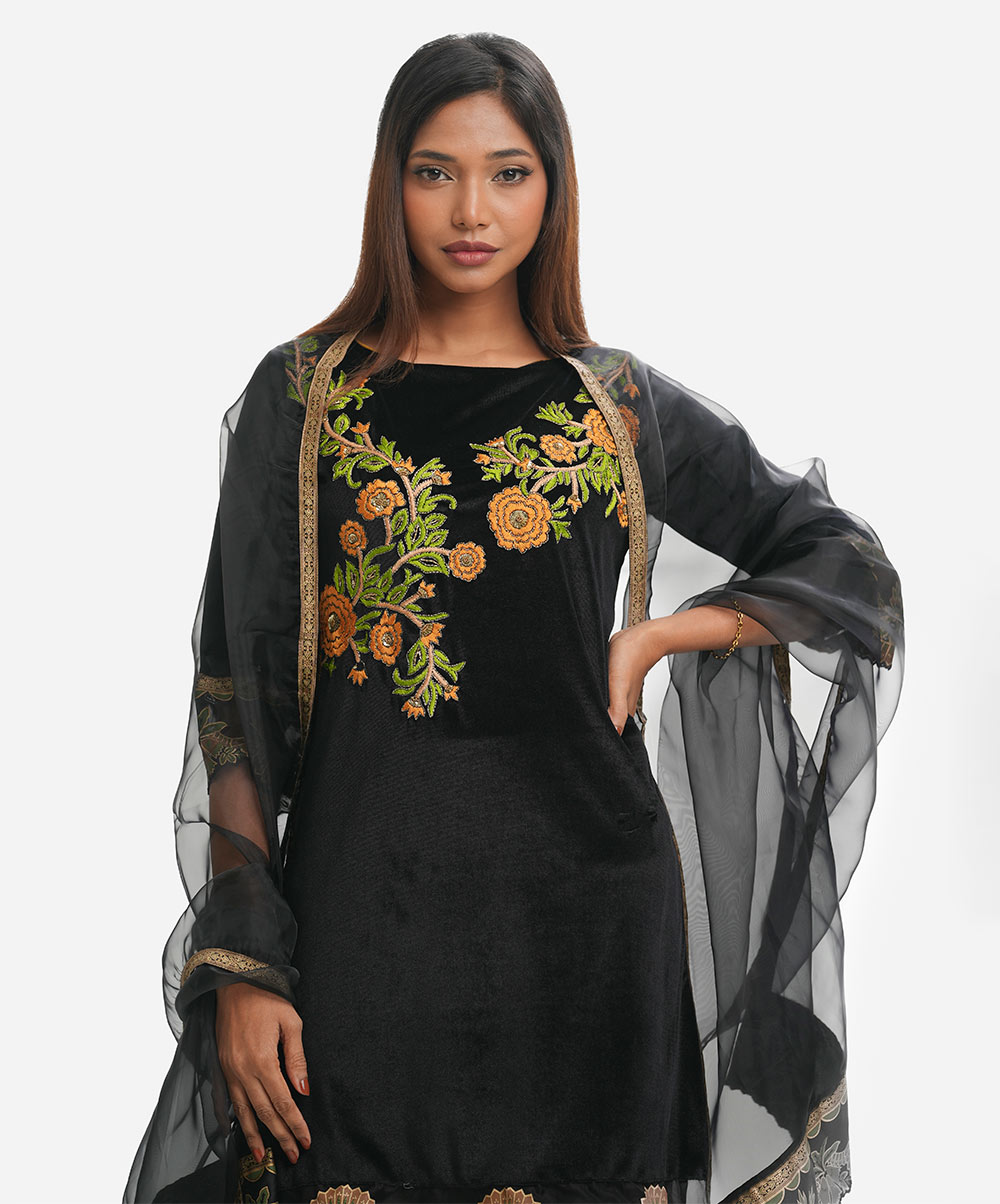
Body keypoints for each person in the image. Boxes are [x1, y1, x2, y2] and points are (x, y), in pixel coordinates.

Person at [124, 31, 904, 1204]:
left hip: (589, 934)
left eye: (509, 172)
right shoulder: (305, 398)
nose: (471, 211)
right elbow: (228, 701)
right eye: (434, 171)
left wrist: (662, 635)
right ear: (389, 183)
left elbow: (841, 559)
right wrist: (245, 963)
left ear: (554, 186)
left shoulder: (613, 405)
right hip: (362, 928)